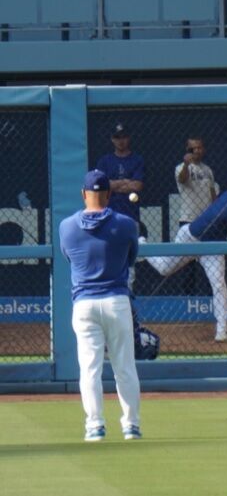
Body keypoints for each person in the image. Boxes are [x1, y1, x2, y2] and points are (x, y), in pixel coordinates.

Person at [59, 169, 141, 442]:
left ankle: (95, 426)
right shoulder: (126, 225)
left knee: (90, 368)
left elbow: (69, 258)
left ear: (84, 194)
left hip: (84, 304)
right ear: (108, 194)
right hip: (116, 300)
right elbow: (130, 260)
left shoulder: (67, 226)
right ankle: (131, 426)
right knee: (124, 367)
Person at [141, 170, 227, 343]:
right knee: (164, 270)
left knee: (219, 283)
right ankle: (142, 245)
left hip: (211, 249)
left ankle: (221, 330)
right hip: (190, 239)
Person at [174, 138, 216, 294]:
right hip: (188, 220)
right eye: (193, 148)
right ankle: (188, 298)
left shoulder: (208, 170)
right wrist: (186, 164)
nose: (197, 151)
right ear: (187, 150)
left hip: (207, 221)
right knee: (187, 264)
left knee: (210, 261)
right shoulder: (181, 168)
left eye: (199, 147)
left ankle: (207, 297)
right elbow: (182, 179)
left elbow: (212, 195)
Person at [97, 123, 145, 226]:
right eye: (117, 137)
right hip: (109, 213)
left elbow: (137, 186)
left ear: (129, 138)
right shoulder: (105, 161)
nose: (121, 141)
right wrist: (125, 181)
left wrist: (112, 185)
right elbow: (102, 186)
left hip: (131, 213)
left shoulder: (137, 160)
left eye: (124, 137)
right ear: (112, 139)